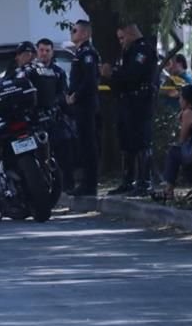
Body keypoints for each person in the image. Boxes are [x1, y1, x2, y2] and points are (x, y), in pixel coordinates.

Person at [101, 23, 158, 196]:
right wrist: (109, 77)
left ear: (132, 34)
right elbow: (121, 81)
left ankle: (144, 182)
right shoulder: (127, 52)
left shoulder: (143, 50)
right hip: (126, 101)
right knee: (126, 141)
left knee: (141, 141)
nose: (121, 42)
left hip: (140, 102)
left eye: (122, 38)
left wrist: (113, 73)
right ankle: (128, 180)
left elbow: (133, 75)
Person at [154, 84, 192, 201]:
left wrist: (181, 121)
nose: (179, 101)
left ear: (186, 100)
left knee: (173, 152)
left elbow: (182, 139)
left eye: (181, 98)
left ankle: (168, 190)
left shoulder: (188, 113)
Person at [36, 37, 76, 191]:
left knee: (64, 151)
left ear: (52, 53)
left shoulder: (58, 72)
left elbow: (63, 94)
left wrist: (54, 103)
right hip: (36, 119)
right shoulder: (31, 71)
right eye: (41, 50)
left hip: (54, 118)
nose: (44, 53)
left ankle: (68, 185)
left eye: (47, 50)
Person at [66, 20, 100, 196]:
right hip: (80, 106)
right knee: (83, 143)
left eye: (75, 30)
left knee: (88, 144)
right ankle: (85, 182)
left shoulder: (87, 53)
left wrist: (76, 95)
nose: (72, 33)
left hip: (86, 104)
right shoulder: (79, 53)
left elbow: (89, 80)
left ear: (85, 34)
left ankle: (90, 184)